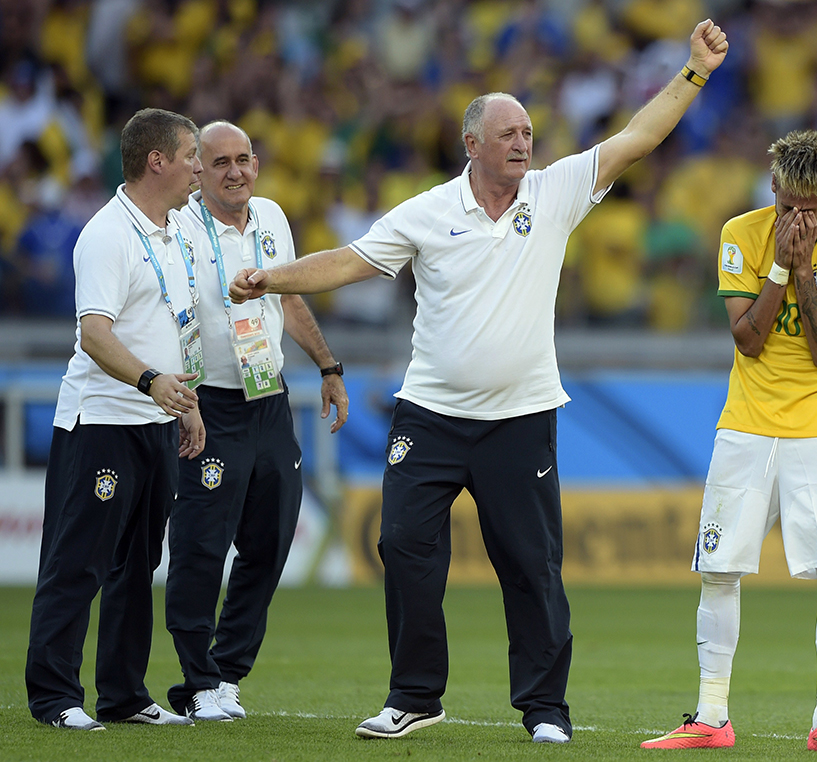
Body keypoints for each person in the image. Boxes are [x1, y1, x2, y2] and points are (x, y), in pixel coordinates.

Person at [230, 20, 728, 744]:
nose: (524, 143)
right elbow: (350, 261)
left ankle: (545, 710)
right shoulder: (429, 211)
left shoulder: (554, 193)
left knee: (531, 567)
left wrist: (695, 71)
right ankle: (414, 696)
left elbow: (636, 139)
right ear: (472, 145)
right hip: (429, 415)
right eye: (509, 134)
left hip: (521, 419)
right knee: (401, 546)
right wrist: (271, 279)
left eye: (527, 131)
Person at [641, 130, 817, 754]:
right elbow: (748, 339)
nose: (801, 217)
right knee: (718, 570)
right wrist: (780, 265)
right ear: (772, 187)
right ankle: (711, 715)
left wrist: (802, 273)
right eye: (790, 204)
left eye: (813, 206)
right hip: (745, 424)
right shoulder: (739, 233)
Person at [25, 107, 206, 730]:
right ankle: (53, 698)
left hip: (155, 419)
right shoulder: (106, 234)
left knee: (138, 566)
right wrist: (152, 382)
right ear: (157, 161)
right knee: (79, 562)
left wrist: (187, 402)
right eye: (191, 157)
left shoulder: (176, 230)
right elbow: (94, 335)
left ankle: (124, 696)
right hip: (101, 421)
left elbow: (176, 328)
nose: (199, 169)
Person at [164, 121, 349, 722]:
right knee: (199, 546)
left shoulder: (271, 217)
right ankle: (197, 681)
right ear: (199, 171)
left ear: (258, 164)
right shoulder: (178, 228)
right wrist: (181, 396)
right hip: (208, 403)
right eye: (220, 162)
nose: (235, 172)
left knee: (271, 540)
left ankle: (227, 673)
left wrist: (327, 364)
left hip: (268, 399)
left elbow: (288, 299)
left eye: (244, 159)